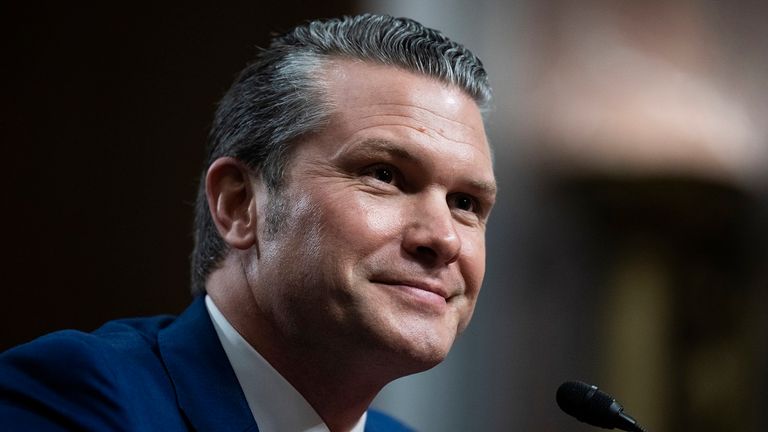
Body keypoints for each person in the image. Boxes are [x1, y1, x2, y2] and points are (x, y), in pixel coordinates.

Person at [0, 13, 496, 432]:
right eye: (384, 175)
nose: (443, 237)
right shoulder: (79, 399)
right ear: (240, 206)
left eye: (466, 203)